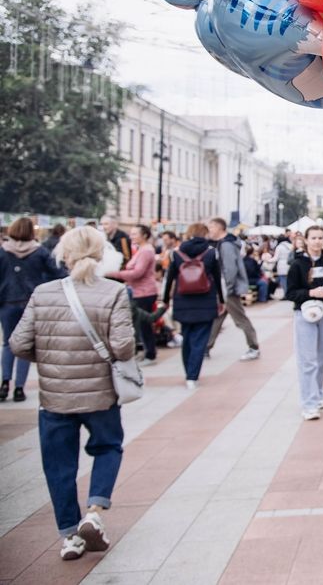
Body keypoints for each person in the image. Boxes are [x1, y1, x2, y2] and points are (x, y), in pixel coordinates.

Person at [9, 226, 134, 560]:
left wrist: (50, 358)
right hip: (100, 394)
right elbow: (123, 347)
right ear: (99, 254)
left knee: (58, 465)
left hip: (54, 397)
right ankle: (94, 510)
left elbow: (18, 344)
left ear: (62, 254)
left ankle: (70, 536)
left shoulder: (44, 292)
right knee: (108, 447)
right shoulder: (114, 292)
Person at [1, 217, 68, 402]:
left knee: (8, 343)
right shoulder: (39, 251)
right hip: (32, 301)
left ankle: (5, 382)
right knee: (27, 344)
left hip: (7, 301)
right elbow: (58, 272)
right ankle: (19, 388)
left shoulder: (2, 251)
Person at [286, 225, 323, 420]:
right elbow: (290, 292)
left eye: (320, 238)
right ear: (306, 240)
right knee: (307, 361)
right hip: (305, 315)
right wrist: (310, 293)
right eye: (313, 238)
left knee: (322, 359)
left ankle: (318, 394)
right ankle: (309, 403)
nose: (317, 241)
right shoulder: (297, 264)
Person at [162, 223, 223, 389]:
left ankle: (188, 371)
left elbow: (170, 279)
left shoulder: (177, 253)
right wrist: (221, 300)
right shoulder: (211, 252)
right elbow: (217, 279)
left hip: (183, 300)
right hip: (206, 300)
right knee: (200, 339)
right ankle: (192, 375)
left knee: (187, 336)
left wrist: (166, 299)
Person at [206, 218, 260, 361]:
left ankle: (253, 347)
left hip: (228, 288)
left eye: (211, 227)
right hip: (226, 288)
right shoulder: (226, 243)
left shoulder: (226, 245)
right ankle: (206, 347)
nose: (209, 230)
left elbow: (230, 269)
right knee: (218, 317)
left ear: (219, 228)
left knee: (240, 319)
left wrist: (227, 289)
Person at [106, 224, 159, 366]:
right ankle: (148, 352)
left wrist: (113, 273)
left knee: (144, 323)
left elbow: (138, 273)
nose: (131, 236)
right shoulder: (143, 250)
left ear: (145, 235)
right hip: (140, 290)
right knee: (142, 324)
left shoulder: (146, 251)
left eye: (135, 234)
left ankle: (150, 354)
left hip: (144, 292)